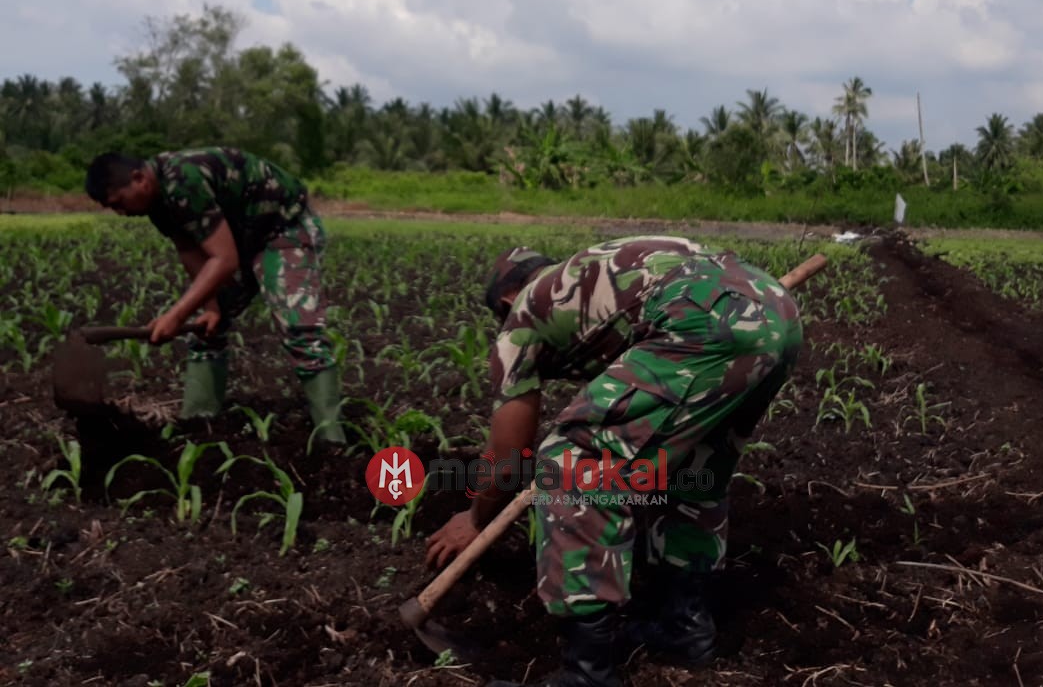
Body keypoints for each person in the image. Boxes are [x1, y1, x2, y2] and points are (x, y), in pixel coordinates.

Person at [425, 235, 804, 687]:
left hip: (702, 319)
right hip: (774, 310)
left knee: (573, 463)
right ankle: (683, 629)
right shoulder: (597, 275)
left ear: (506, 297)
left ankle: (587, 674)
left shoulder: (522, 313)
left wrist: (475, 517)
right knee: (690, 471)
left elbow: (509, 458)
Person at [84, 147, 346, 444]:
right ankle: (197, 428)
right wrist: (210, 307)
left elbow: (224, 260)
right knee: (206, 327)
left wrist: (175, 316)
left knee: (299, 326)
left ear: (139, 179)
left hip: (283, 227)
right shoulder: (156, 202)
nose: (121, 213)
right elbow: (190, 250)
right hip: (239, 237)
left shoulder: (183, 180)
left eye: (119, 203)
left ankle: (331, 439)